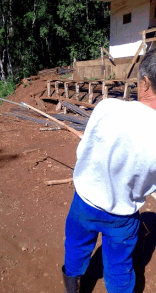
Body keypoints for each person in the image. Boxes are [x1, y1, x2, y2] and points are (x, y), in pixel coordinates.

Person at [62, 48, 156, 293]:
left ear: (145, 83)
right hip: (123, 216)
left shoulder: (107, 108)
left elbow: (82, 154)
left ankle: (73, 288)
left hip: (85, 203)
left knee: (76, 248)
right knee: (119, 267)